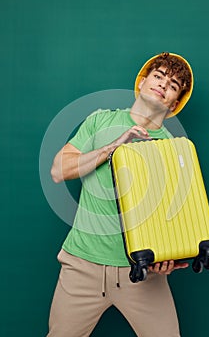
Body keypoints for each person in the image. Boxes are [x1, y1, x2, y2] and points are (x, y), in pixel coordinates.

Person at [47, 52, 194, 337]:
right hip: (81, 266)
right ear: (142, 83)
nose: (163, 84)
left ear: (174, 104)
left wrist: (167, 257)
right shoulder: (99, 122)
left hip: (142, 273)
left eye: (173, 84)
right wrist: (112, 147)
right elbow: (57, 170)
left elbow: (172, 216)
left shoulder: (177, 150)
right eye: (159, 76)